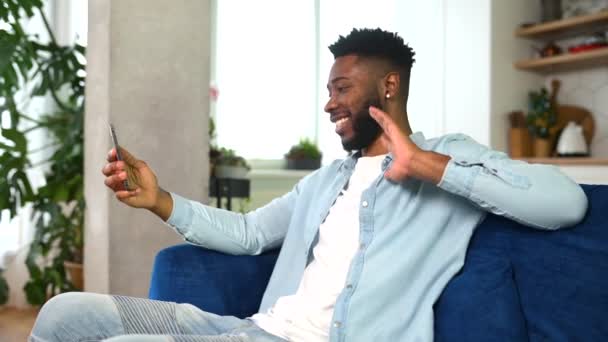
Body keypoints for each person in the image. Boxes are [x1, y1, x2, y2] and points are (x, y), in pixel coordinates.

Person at [30, 28, 588, 342]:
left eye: (342, 87)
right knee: (63, 313)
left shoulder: (449, 159)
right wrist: (159, 200)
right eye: (328, 89)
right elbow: (249, 233)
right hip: (249, 331)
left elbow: (566, 202)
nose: (329, 102)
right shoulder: (328, 180)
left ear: (389, 85)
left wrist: (426, 165)